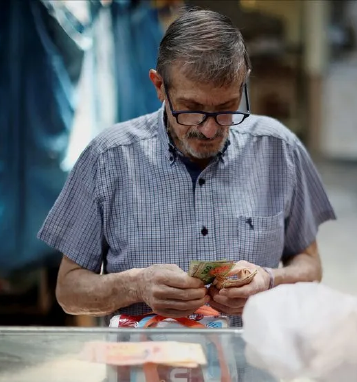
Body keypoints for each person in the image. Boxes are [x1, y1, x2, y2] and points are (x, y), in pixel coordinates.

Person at [37, 8, 336, 327]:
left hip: (251, 365)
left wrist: (270, 280)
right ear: (159, 86)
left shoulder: (279, 149)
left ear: (242, 85)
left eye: (225, 109)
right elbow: (68, 291)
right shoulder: (108, 157)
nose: (209, 130)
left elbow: (309, 265)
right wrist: (135, 285)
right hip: (145, 369)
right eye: (192, 109)